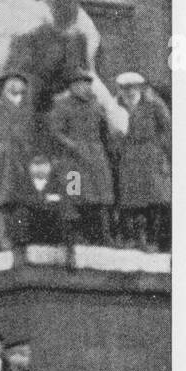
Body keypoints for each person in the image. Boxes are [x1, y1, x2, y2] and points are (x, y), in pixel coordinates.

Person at [48, 68, 114, 244]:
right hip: (71, 160)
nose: (82, 87)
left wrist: (108, 148)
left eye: (85, 83)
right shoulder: (61, 105)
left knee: (100, 196)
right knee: (73, 196)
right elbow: (55, 132)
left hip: (95, 155)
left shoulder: (96, 105)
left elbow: (105, 131)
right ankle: (73, 238)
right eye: (78, 84)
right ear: (71, 87)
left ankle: (102, 236)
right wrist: (72, 145)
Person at [113, 72, 171, 250]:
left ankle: (152, 240)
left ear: (140, 88)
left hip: (150, 156)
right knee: (130, 199)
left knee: (154, 199)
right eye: (125, 88)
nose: (129, 91)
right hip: (129, 156)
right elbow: (111, 130)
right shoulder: (116, 106)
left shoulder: (154, 104)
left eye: (133, 87)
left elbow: (167, 128)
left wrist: (158, 148)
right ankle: (132, 238)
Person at [0, 73, 36, 250]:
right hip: (1, 161)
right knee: (2, 203)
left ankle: (21, 239)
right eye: (13, 82)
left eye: (20, 82)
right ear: (5, 86)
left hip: (22, 161)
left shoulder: (27, 109)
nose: (17, 85)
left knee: (21, 201)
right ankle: (4, 241)